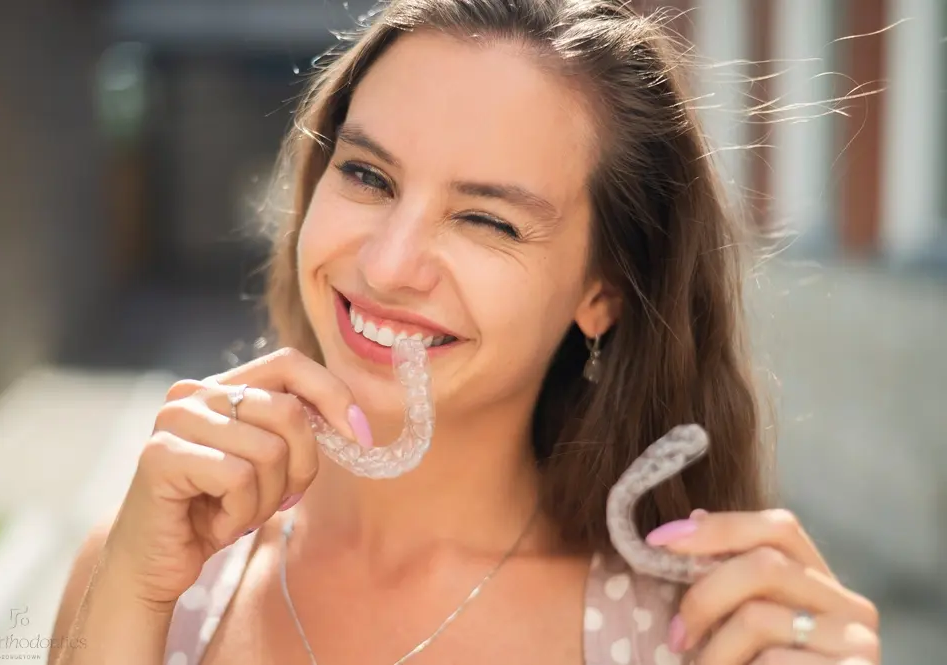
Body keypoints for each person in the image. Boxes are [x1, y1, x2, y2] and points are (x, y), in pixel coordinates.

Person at [48, 1, 881, 664]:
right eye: (367, 175)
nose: (388, 261)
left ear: (605, 292)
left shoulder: (687, 638)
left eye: (486, 220)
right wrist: (131, 593)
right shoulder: (153, 573)